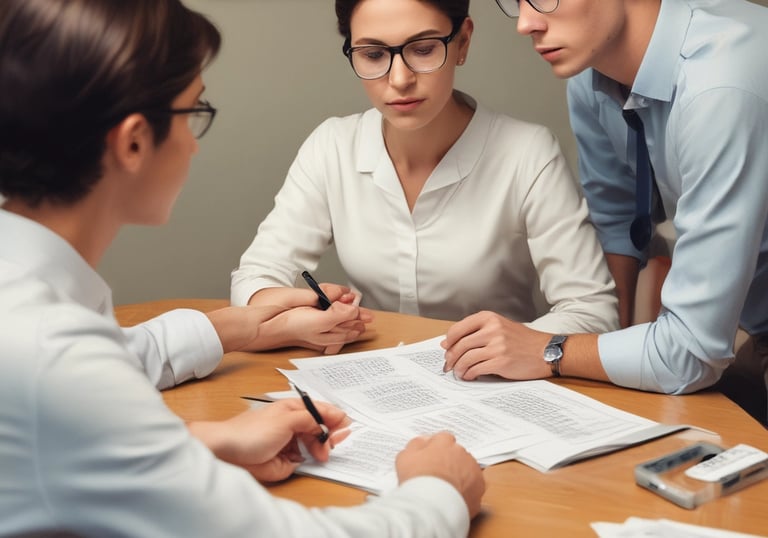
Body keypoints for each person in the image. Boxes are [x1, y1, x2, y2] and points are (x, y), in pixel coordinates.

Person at [0, 1, 486, 536]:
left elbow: (97, 383)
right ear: (134, 141)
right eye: (195, 110)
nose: (193, 143)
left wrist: (241, 340)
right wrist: (438, 491)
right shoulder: (55, 358)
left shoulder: (25, 300)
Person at [443, 0, 768, 425]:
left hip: (731, 336)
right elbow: (616, 220)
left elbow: (690, 354)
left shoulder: (719, 86)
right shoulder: (592, 73)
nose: (525, 23)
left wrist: (547, 348)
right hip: (743, 326)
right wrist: (608, 359)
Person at [230, 0, 619, 349]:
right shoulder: (332, 146)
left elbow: (591, 312)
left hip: (493, 383)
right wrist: (300, 318)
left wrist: (520, 344)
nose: (399, 79)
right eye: (373, 53)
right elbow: (255, 278)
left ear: (462, 42)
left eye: (423, 49)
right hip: (369, 384)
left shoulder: (527, 153)